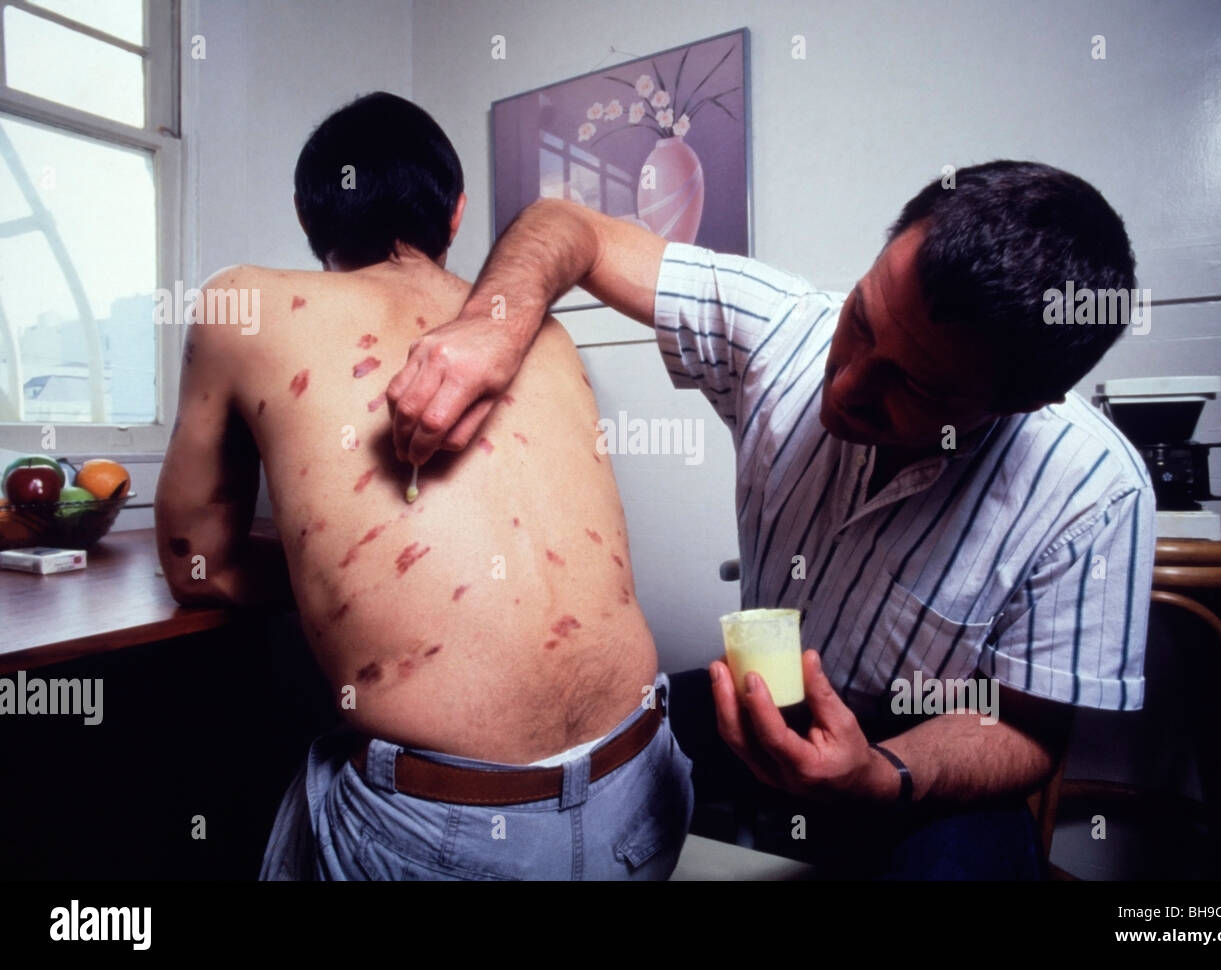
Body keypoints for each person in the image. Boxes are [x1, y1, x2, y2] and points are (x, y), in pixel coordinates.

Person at [386, 160, 1157, 878]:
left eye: (911, 387)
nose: (846, 384)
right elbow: (567, 225)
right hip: (763, 696)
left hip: (920, 759)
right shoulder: (783, 329)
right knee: (576, 746)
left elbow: (1027, 731)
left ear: (1019, 402)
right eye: (861, 319)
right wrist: (494, 321)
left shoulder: (1094, 493)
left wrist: (881, 776)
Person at [154, 92, 692, 881]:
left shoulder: (243, 304)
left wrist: (330, 581)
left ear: (311, 225)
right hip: (648, 793)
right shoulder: (540, 331)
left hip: (451, 838)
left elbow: (193, 563)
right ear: (457, 213)